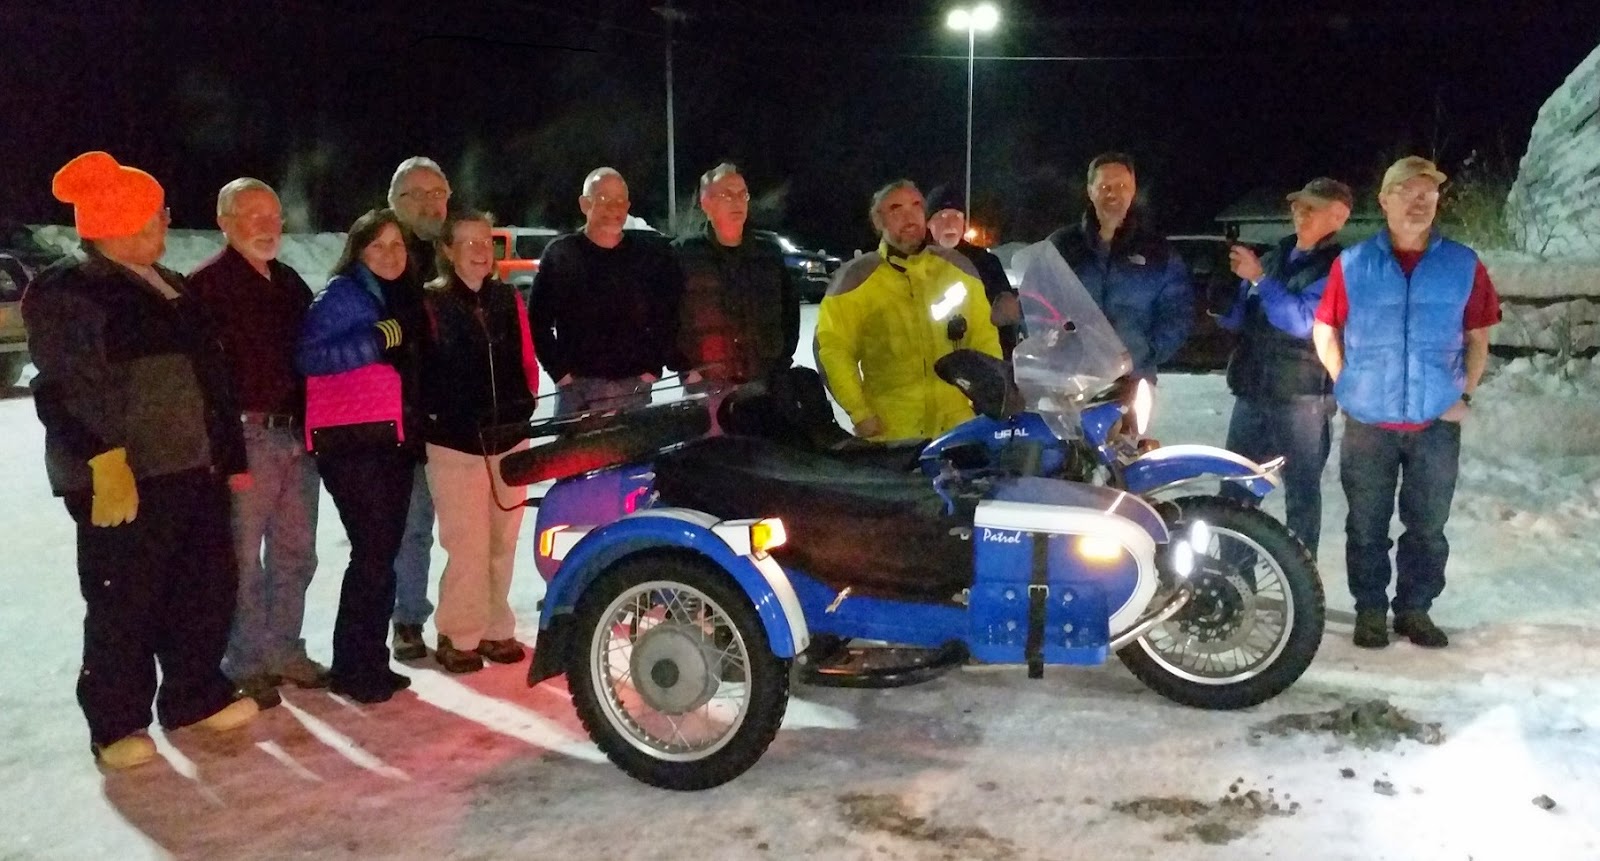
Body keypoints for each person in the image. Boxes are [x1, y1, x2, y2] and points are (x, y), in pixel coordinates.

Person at [25, 151, 258, 769]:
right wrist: (101, 461)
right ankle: (116, 722)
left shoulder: (170, 284)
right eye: (156, 214)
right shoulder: (71, 289)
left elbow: (211, 380)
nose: (166, 222)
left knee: (203, 590)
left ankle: (194, 695)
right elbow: (64, 387)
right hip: (127, 478)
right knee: (125, 602)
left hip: (195, 470)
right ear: (118, 221)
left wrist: (228, 454)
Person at [1311, 156, 1502, 650]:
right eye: (1407, 192)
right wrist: (1346, 382)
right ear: (1384, 200)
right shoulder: (1353, 264)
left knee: (1428, 527)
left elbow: (1478, 337)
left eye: (1428, 194)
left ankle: (1415, 609)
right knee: (1366, 525)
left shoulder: (1462, 264)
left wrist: (1463, 394)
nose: (1419, 202)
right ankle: (1371, 610)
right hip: (1369, 423)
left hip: (1435, 422)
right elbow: (1325, 328)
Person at [189, 178, 322, 707]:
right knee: (243, 561)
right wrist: (226, 453)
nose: (268, 226)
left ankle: (284, 650)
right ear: (224, 222)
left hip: (296, 435)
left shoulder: (289, 283)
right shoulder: (205, 288)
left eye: (274, 215)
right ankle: (245, 661)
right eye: (253, 215)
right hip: (245, 437)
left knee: (296, 553)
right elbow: (202, 382)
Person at [296, 208, 421, 702]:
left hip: (391, 438)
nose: (390, 255)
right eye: (377, 246)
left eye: (398, 245)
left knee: (382, 553)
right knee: (371, 553)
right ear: (358, 251)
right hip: (352, 442)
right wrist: (374, 341)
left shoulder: (399, 294)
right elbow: (308, 356)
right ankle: (353, 667)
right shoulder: (343, 294)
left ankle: (370, 660)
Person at [420, 210, 541, 673]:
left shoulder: (507, 299)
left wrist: (524, 405)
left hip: (508, 438)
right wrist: (437, 414)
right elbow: (417, 371)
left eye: (485, 242)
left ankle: (495, 626)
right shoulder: (430, 303)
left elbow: (527, 360)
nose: (478, 251)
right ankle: (458, 632)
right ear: (446, 250)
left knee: (502, 542)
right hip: (455, 444)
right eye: (467, 242)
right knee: (467, 545)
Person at [1216, 178, 1352, 558]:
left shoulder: (1340, 267)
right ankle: (1233, 579)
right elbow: (1241, 319)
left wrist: (1259, 278)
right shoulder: (1275, 256)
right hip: (1252, 392)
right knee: (1234, 495)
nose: (1299, 213)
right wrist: (1223, 301)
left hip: (1303, 398)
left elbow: (1304, 322)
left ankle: (1300, 580)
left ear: (1338, 217)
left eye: (1311, 208)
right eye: (1296, 206)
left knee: (1301, 499)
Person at [815, 180, 1001, 440]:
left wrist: (990, 396)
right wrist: (860, 413)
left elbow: (984, 338)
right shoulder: (856, 280)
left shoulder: (958, 270)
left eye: (916, 206)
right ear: (878, 221)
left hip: (958, 428)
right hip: (893, 433)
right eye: (896, 209)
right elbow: (834, 351)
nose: (909, 216)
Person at [528, 167, 682, 417]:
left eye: (620, 200)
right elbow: (537, 321)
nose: (613, 208)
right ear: (584, 204)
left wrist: (652, 367)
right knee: (576, 445)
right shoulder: (562, 255)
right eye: (603, 198)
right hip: (578, 391)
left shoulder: (645, 257)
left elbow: (666, 315)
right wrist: (560, 374)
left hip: (634, 388)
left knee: (635, 444)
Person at [1047, 152, 1193, 381]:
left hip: (1133, 380)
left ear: (1133, 190)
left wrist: (1142, 353)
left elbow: (1177, 315)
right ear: (1090, 191)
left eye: (1122, 186)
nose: (1113, 193)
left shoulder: (1158, 253)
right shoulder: (1062, 246)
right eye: (1104, 187)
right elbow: (1038, 301)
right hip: (1071, 380)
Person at [384, 156, 449, 661]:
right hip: (403, 419)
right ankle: (407, 619)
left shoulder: (455, 251)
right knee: (412, 526)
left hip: (458, 417)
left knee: (470, 529)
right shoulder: (384, 259)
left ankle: (465, 622)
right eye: (417, 195)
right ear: (394, 203)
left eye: (437, 194)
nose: (430, 204)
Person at [671, 162, 799, 390]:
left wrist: (782, 359)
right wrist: (685, 367)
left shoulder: (768, 253)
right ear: (706, 203)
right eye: (727, 195)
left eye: (742, 195)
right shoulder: (684, 254)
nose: (737, 201)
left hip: (765, 379)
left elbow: (789, 312)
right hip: (708, 383)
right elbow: (668, 315)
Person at [924, 183, 1022, 360]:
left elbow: (1005, 312)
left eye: (956, 216)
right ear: (928, 223)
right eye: (942, 216)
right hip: (931, 358)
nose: (950, 223)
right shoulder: (916, 262)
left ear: (964, 223)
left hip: (979, 359)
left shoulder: (985, 262)